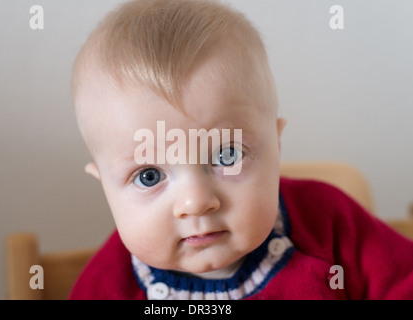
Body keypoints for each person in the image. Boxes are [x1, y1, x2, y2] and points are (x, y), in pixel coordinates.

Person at [69, 0, 413, 300]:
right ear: (104, 185)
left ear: (276, 143)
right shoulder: (107, 286)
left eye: (226, 156)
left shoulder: (329, 223)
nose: (196, 202)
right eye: (149, 176)